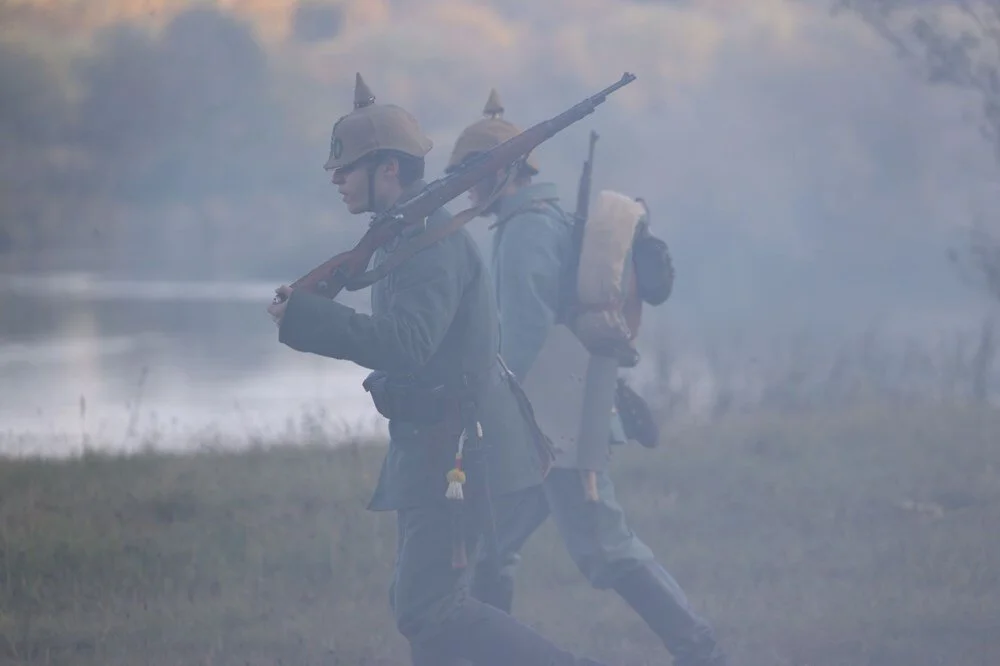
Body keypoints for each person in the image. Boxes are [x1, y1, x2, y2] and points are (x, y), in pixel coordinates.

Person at [267, 73, 619, 666]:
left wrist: (307, 319)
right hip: (432, 443)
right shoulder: (405, 233)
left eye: (347, 167)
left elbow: (408, 344)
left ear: (388, 171)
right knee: (426, 610)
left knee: (428, 610)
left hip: (456, 448)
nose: (335, 178)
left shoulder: (427, 240)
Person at [444, 88, 729, 666]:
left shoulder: (527, 230)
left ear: (502, 172)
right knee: (492, 547)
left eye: (473, 176)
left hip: (560, 427)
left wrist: (483, 403)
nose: (468, 190)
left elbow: (520, 339)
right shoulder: (531, 222)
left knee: (604, 546)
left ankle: (702, 653)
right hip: (544, 423)